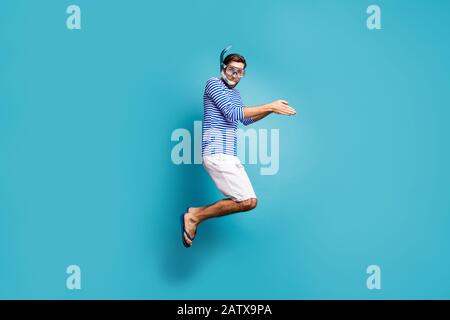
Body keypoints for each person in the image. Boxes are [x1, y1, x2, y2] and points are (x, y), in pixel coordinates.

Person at [181, 46, 296, 248]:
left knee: (249, 202)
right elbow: (234, 113)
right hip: (216, 152)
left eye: (240, 72)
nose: (235, 75)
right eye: (231, 70)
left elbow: (246, 120)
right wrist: (270, 105)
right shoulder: (213, 84)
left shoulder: (236, 94)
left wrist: (272, 111)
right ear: (222, 68)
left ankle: (195, 214)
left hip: (229, 155)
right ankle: (195, 216)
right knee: (247, 201)